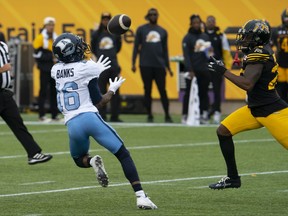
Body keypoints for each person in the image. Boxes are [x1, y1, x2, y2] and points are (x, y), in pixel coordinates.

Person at [51, 33, 157, 209]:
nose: (82, 47)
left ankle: (92, 161)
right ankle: (141, 196)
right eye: (78, 45)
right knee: (123, 154)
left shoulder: (55, 70)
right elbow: (99, 101)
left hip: (72, 124)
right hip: (89, 117)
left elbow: (72, 70)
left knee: (79, 159)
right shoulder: (87, 67)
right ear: (71, 51)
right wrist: (113, 90)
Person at [207, 19, 288, 190]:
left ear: (259, 38)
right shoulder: (258, 52)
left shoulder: (259, 54)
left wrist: (223, 71)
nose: (243, 40)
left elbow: (247, 84)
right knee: (223, 131)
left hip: (272, 111)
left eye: (248, 37)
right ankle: (233, 178)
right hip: (255, 109)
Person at [0, 41, 52, 164]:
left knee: (18, 124)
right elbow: (4, 67)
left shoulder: (2, 45)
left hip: (4, 93)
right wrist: (2, 70)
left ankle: (33, 153)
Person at [132, 8, 173, 123]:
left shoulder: (162, 31)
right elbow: (136, 47)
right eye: (151, 14)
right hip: (145, 65)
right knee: (147, 90)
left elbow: (165, 50)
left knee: (162, 91)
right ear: (148, 16)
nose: (153, 16)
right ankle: (149, 114)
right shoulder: (141, 29)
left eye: (155, 14)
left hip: (159, 65)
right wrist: (133, 63)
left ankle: (167, 115)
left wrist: (168, 67)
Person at [90, 12, 123, 122]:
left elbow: (118, 48)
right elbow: (93, 48)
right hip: (101, 67)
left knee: (115, 91)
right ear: (101, 20)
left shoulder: (115, 33)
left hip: (113, 65)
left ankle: (115, 116)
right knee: (100, 91)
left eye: (108, 19)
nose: (106, 21)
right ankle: (102, 115)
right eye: (104, 19)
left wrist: (110, 55)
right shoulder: (96, 34)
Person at [182, 14, 212, 124]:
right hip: (192, 71)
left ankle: (203, 114)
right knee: (189, 93)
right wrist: (190, 70)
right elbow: (187, 56)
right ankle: (185, 115)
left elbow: (209, 54)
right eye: (194, 22)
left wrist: (210, 54)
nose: (196, 24)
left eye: (198, 22)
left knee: (204, 93)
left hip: (204, 70)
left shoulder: (205, 36)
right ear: (191, 24)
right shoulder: (187, 37)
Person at [205, 15, 232, 124]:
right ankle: (205, 111)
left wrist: (226, 68)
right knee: (203, 90)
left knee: (217, 91)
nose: (210, 23)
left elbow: (226, 51)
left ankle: (216, 111)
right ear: (206, 22)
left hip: (216, 67)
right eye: (209, 21)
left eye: (212, 21)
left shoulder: (220, 36)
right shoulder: (202, 36)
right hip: (204, 67)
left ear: (215, 22)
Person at [33, 17, 60, 122]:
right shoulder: (40, 38)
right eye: (49, 25)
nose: (51, 27)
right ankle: (41, 115)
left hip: (54, 69)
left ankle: (54, 115)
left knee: (54, 92)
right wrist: (50, 57)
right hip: (44, 68)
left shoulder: (56, 37)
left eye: (52, 25)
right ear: (45, 26)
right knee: (43, 92)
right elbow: (36, 54)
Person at [271, 8, 288, 103]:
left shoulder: (277, 30)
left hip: (281, 63)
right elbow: (270, 46)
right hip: (280, 64)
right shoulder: (276, 31)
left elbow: (269, 46)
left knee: (281, 90)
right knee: (280, 89)